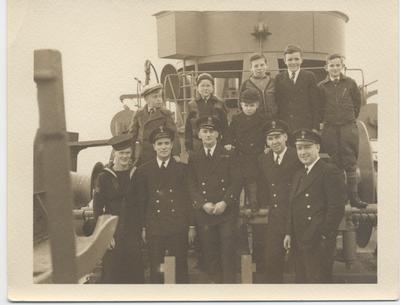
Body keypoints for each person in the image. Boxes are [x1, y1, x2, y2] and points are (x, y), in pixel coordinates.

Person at [133, 125, 195, 283]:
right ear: (154, 146)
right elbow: (141, 202)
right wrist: (143, 228)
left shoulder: (183, 169)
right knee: (157, 270)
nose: (163, 147)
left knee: (180, 269)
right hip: (155, 227)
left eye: (167, 143)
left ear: (172, 145)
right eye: (159, 144)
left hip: (178, 226)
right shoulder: (143, 171)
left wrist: (191, 226)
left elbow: (189, 200)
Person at [283, 129, 346, 283]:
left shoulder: (329, 171)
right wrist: (289, 233)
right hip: (300, 240)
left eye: (307, 147)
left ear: (317, 148)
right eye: (299, 148)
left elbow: (336, 208)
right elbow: (293, 206)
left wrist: (323, 234)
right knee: (302, 283)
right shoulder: (299, 174)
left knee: (318, 285)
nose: (303, 152)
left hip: (318, 242)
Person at [187, 116, 242, 283]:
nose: (208, 135)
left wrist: (225, 202)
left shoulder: (229, 153)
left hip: (226, 211)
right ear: (199, 134)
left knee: (227, 251)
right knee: (210, 252)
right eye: (205, 131)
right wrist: (203, 204)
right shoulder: (194, 156)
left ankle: (230, 292)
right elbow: (191, 184)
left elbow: (237, 181)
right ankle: (216, 289)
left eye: (212, 131)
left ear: (218, 134)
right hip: (205, 212)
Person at [93, 133, 144, 283]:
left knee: (134, 274)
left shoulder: (136, 174)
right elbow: (97, 209)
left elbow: (142, 202)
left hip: (133, 231)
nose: (125, 156)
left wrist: (143, 229)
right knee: (112, 274)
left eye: (128, 153)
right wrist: (105, 235)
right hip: (113, 233)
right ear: (115, 153)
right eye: (121, 153)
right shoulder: (104, 177)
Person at [318, 53, 368, 209]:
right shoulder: (321, 87)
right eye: (331, 65)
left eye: (337, 65)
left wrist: (348, 119)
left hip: (347, 127)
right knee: (335, 163)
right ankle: (339, 198)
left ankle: (354, 198)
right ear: (326, 68)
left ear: (342, 66)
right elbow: (319, 107)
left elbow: (357, 104)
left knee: (350, 162)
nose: (335, 68)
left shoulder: (350, 83)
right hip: (330, 128)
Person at [257, 120, 302, 283]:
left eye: (277, 137)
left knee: (301, 265)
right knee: (272, 262)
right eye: (270, 138)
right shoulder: (263, 159)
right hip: (276, 218)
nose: (274, 141)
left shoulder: (297, 156)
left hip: (297, 217)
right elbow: (263, 184)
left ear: (285, 137)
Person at [225, 88, 266, 212]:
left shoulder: (263, 119)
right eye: (246, 105)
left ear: (257, 105)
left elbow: (266, 135)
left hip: (257, 155)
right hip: (241, 154)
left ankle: (254, 204)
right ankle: (238, 206)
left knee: (253, 180)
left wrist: (267, 146)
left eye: (252, 105)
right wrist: (229, 144)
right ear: (241, 105)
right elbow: (230, 134)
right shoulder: (236, 119)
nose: (248, 108)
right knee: (239, 179)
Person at [129, 83, 181, 166]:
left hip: (160, 154)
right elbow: (132, 136)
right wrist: (130, 156)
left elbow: (174, 134)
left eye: (160, 96)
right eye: (155, 97)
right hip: (143, 155)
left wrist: (176, 154)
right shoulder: (139, 113)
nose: (159, 99)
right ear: (146, 99)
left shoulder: (165, 114)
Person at [275, 45, 321, 134]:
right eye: (290, 59)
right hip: (285, 126)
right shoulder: (279, 78)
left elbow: (315, 103)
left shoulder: (309, 76)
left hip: (305, 126)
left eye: (296, 59)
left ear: (301, 59)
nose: (293, 62)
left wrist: (315, 127)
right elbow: (278, 103)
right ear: (285, 61)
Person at [185, 73, 228, 153]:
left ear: (212, 88)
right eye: (202, 86)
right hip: (197, 144)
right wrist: (189, 146)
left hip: (216, 143)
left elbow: (225, 126)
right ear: (197, 88)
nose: (205, 88)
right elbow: (188, 128)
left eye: (208, 86)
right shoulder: (191, 105)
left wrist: (226, 142)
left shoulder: (220, 103)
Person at [239, 53, 277, 120]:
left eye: (262, 65)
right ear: (251, 68)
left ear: (266, 66)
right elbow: (240, 104)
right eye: (256, 66)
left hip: (273, 119)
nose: (259, 68)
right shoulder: (246, 84)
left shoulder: (274, 82)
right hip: (255, 121)